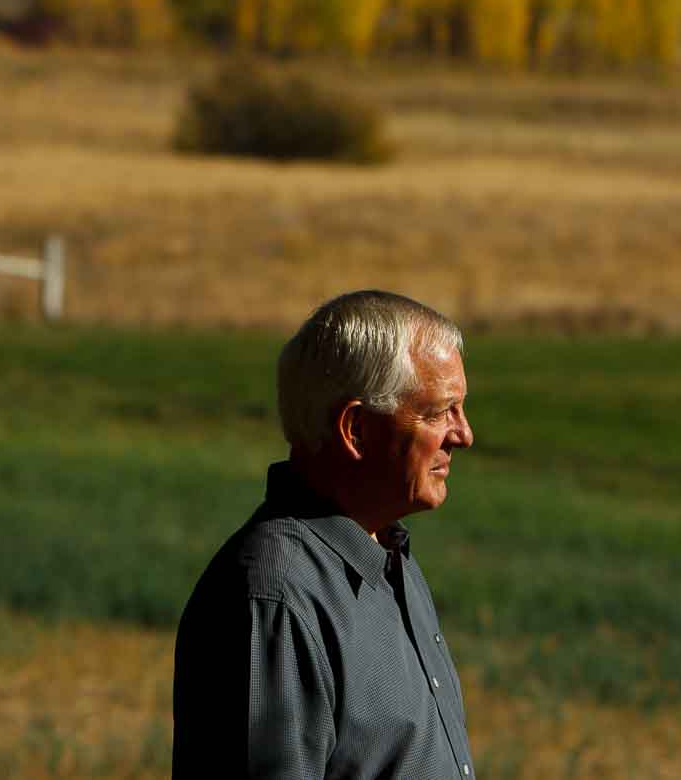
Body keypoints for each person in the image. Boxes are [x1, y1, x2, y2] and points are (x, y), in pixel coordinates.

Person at [173, 289, 478, 779]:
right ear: (355, 428)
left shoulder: (389, 556)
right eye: (439, 412)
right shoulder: (275, 597)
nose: (464, 435)